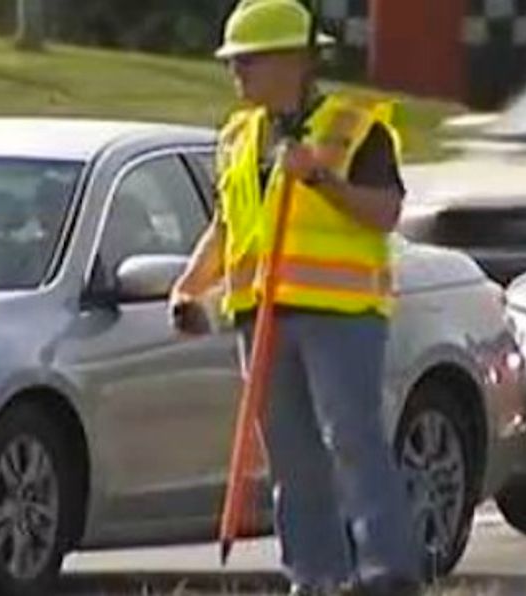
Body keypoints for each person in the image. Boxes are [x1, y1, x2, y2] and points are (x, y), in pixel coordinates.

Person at [168, 1, 422, 594]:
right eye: (234, 61)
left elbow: (385, 212)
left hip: (341, 313)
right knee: (290, 457)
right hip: (260, 315)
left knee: (351, 440)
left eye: (249, 60)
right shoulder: (237, 136)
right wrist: (189, 286)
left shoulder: (353, 128)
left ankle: (386, 573)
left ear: (296, 61)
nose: (237, 72)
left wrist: (320, 180)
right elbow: (227, 227)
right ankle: (315, 577)